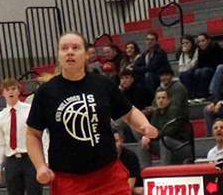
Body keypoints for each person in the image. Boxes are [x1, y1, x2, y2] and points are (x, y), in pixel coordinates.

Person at [25, 34, 160, 195]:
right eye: (64, 48)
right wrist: (40, 166)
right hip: (69, 180)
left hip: (108, 175)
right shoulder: (46, 92)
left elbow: (129, 112)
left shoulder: (103, 84)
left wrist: (144, 125)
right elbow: (32, 134)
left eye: (75, 48)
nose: (69, 52)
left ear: (86, 54)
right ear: (58, 55)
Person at [0, 79, 42, 195]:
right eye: (7, 89)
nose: (10, 92)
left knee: (35, 192)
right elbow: (0, 143)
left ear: (19, 91)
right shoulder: (1, 116)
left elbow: (41, 134)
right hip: (12, 160)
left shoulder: (29, 110)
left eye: (13, 89)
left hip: (30, 158)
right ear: (2, 93)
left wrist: (45, 160)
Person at [142, 90, 192, 166]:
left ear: (169, 100)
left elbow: (169, 132)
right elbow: (152, 129)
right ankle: (145, 171)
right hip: (166, 147)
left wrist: (153, 134)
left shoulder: (175, 111)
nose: (161, 100)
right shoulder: (156, 113)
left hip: (182, 146)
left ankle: (164, 169)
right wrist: (147, 137)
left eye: (163, 98)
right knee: (143, 142)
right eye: (158, 98)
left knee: (165, 139)